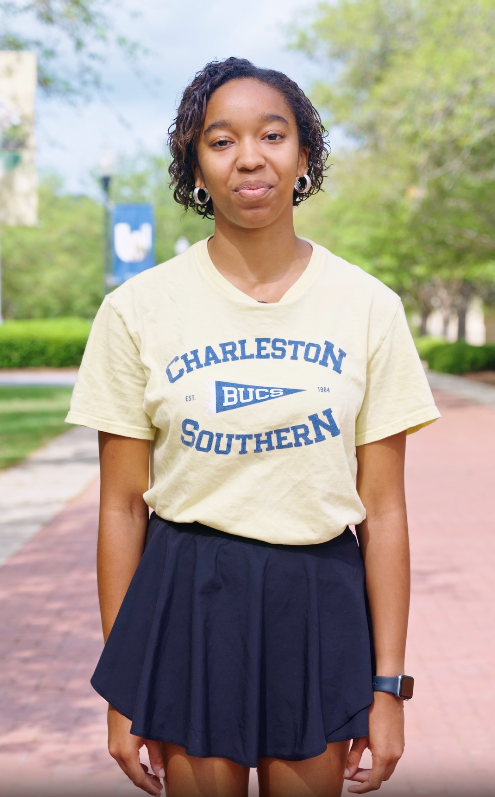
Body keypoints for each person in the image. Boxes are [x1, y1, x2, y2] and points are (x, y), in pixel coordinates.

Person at [66, 57, 440, 797]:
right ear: (194, 165)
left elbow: (386, 509)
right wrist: (124, 681)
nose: (249, 157)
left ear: (303, 155)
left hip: (318, 590)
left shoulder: (367, 306)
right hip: (189, 589)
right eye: (220, 140)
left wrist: (388, 683)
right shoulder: (137, 310)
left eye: (272, 134)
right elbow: (119, 507)